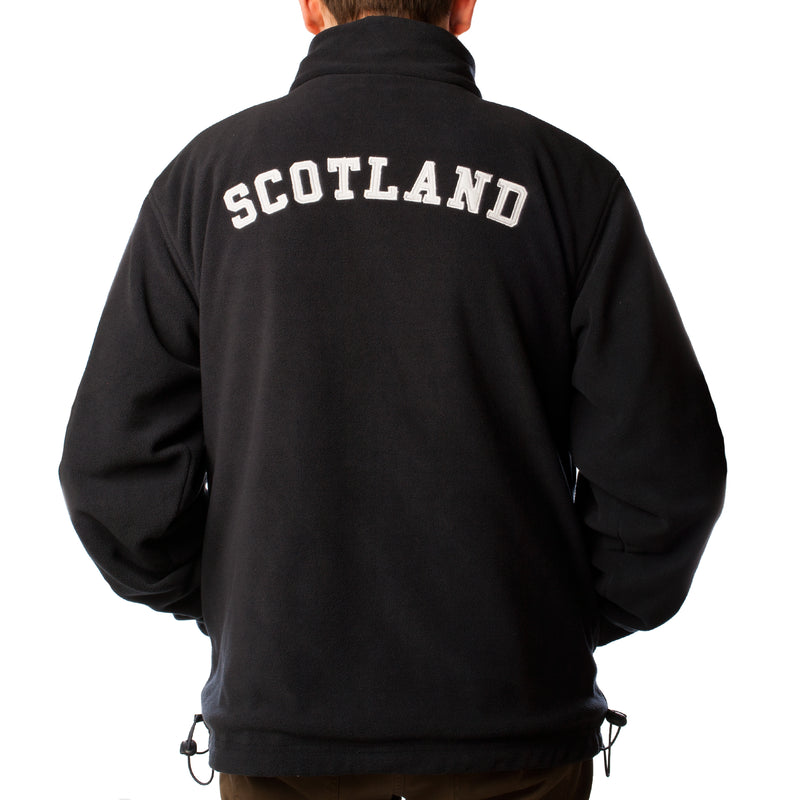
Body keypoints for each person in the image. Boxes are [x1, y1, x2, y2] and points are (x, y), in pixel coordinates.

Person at [59, 1, 726, 798]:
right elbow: (665, 480)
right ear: (465, 6)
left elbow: (116, 476)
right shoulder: (567, 182)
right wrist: (554, 617)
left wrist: (240, 603)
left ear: (311, 7)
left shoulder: (204, 182)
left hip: (285, 736)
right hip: (514, 730)